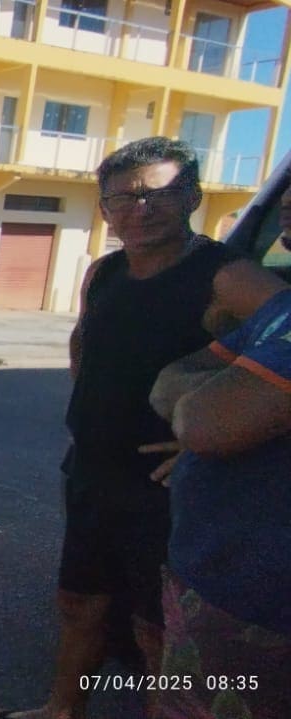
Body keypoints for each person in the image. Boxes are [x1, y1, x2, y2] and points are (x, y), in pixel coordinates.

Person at [0, 137, 284, 719]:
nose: (138, 210)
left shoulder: (225, 276)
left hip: (163, 488)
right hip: (93, 470)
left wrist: (204, 440)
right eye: (122, 199)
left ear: (191, 195)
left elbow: (285, 344)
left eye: (157, 195)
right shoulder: (106, 271)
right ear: (103, 210)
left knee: (157, 628)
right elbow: (85, 342)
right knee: (79, 601)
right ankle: (61, 711)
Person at [137, 282, 291, 718]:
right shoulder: (281, 308)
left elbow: (205, 422)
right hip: (224, 590)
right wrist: (241, 401)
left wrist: (234, 403)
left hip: (264, 608)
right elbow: (167, 386)